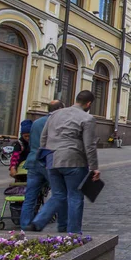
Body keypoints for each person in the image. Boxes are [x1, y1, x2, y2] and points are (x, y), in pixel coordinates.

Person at [27, 90, 101, 234]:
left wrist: (43, 157)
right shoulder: (87, 118)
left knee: (58, 195)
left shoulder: (55, 114)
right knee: (75, 196)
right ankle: (73, 233)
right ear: (89, 103)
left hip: (51, 159)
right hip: (74, 161)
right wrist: (94, 167)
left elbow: (44, 138)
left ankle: (38, 222)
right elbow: (89, 145)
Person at [20, 100, 67, 231]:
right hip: (48, 162)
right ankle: (59, 224)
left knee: (30, 197)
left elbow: (30, 143)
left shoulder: (36, 123)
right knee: (60, 192)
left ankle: (25, 225)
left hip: (33, 161)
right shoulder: (57, 122)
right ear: (59, 109)